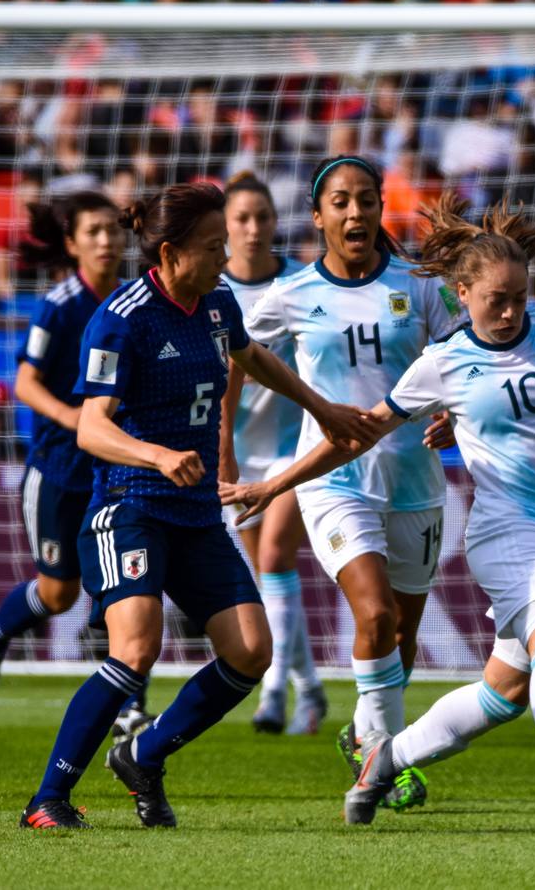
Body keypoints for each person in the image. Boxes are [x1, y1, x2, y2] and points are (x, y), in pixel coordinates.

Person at [230, 193, 535, 824]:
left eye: (518, 296)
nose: (510, 312)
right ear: (461, 295)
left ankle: (385, 760)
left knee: (505, 691)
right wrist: (276, 485)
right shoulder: (442, 363)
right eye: (495, 300)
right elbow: (360, 432)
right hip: (506, 527)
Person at [19, 181, 379, 830]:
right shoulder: (121, 319)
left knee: (250, 652)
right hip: (129, 506)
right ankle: (48, 797)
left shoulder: (216, 300)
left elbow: (252, 356)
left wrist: (322, 408)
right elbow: (91, 427)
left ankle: (144, 755)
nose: (226, 255)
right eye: (213, 246)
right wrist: (156, 455)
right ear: (169, 253)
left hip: (194, 515)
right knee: (135, 649)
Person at [243, 155, 462, 812]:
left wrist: (452, 414)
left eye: (366, 200)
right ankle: (377, 754)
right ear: (318, 217)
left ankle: (374, 742)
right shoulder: (292, 294)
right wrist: (298, 410)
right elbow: (238, 351)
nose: (355, 213)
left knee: (402, 633)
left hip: (414, 479)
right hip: (333, 481)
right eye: (340, 202)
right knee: (375, 614)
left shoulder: (421, 287)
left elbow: (466, 359)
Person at [0, 191, 154, 736]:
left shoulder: (131, 302)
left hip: (114, 471)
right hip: (57, 469)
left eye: (112, 230)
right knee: (58, 592)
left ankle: (131, 707)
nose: (106, 240)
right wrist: (74, 419)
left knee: (124, 584)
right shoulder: (58, 304)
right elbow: (25, 381)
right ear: (72, 243)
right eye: (93, 231)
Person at [217, 171, 328, 736]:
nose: (254, 228)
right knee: (268, 576)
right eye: (242, 218)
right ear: (226, 226)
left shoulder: (301, 284)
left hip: (294, 448)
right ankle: (310, 687)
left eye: (262, 216)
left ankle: (274, 693)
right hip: (237, 454)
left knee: (278, 558)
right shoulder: (212, 290)